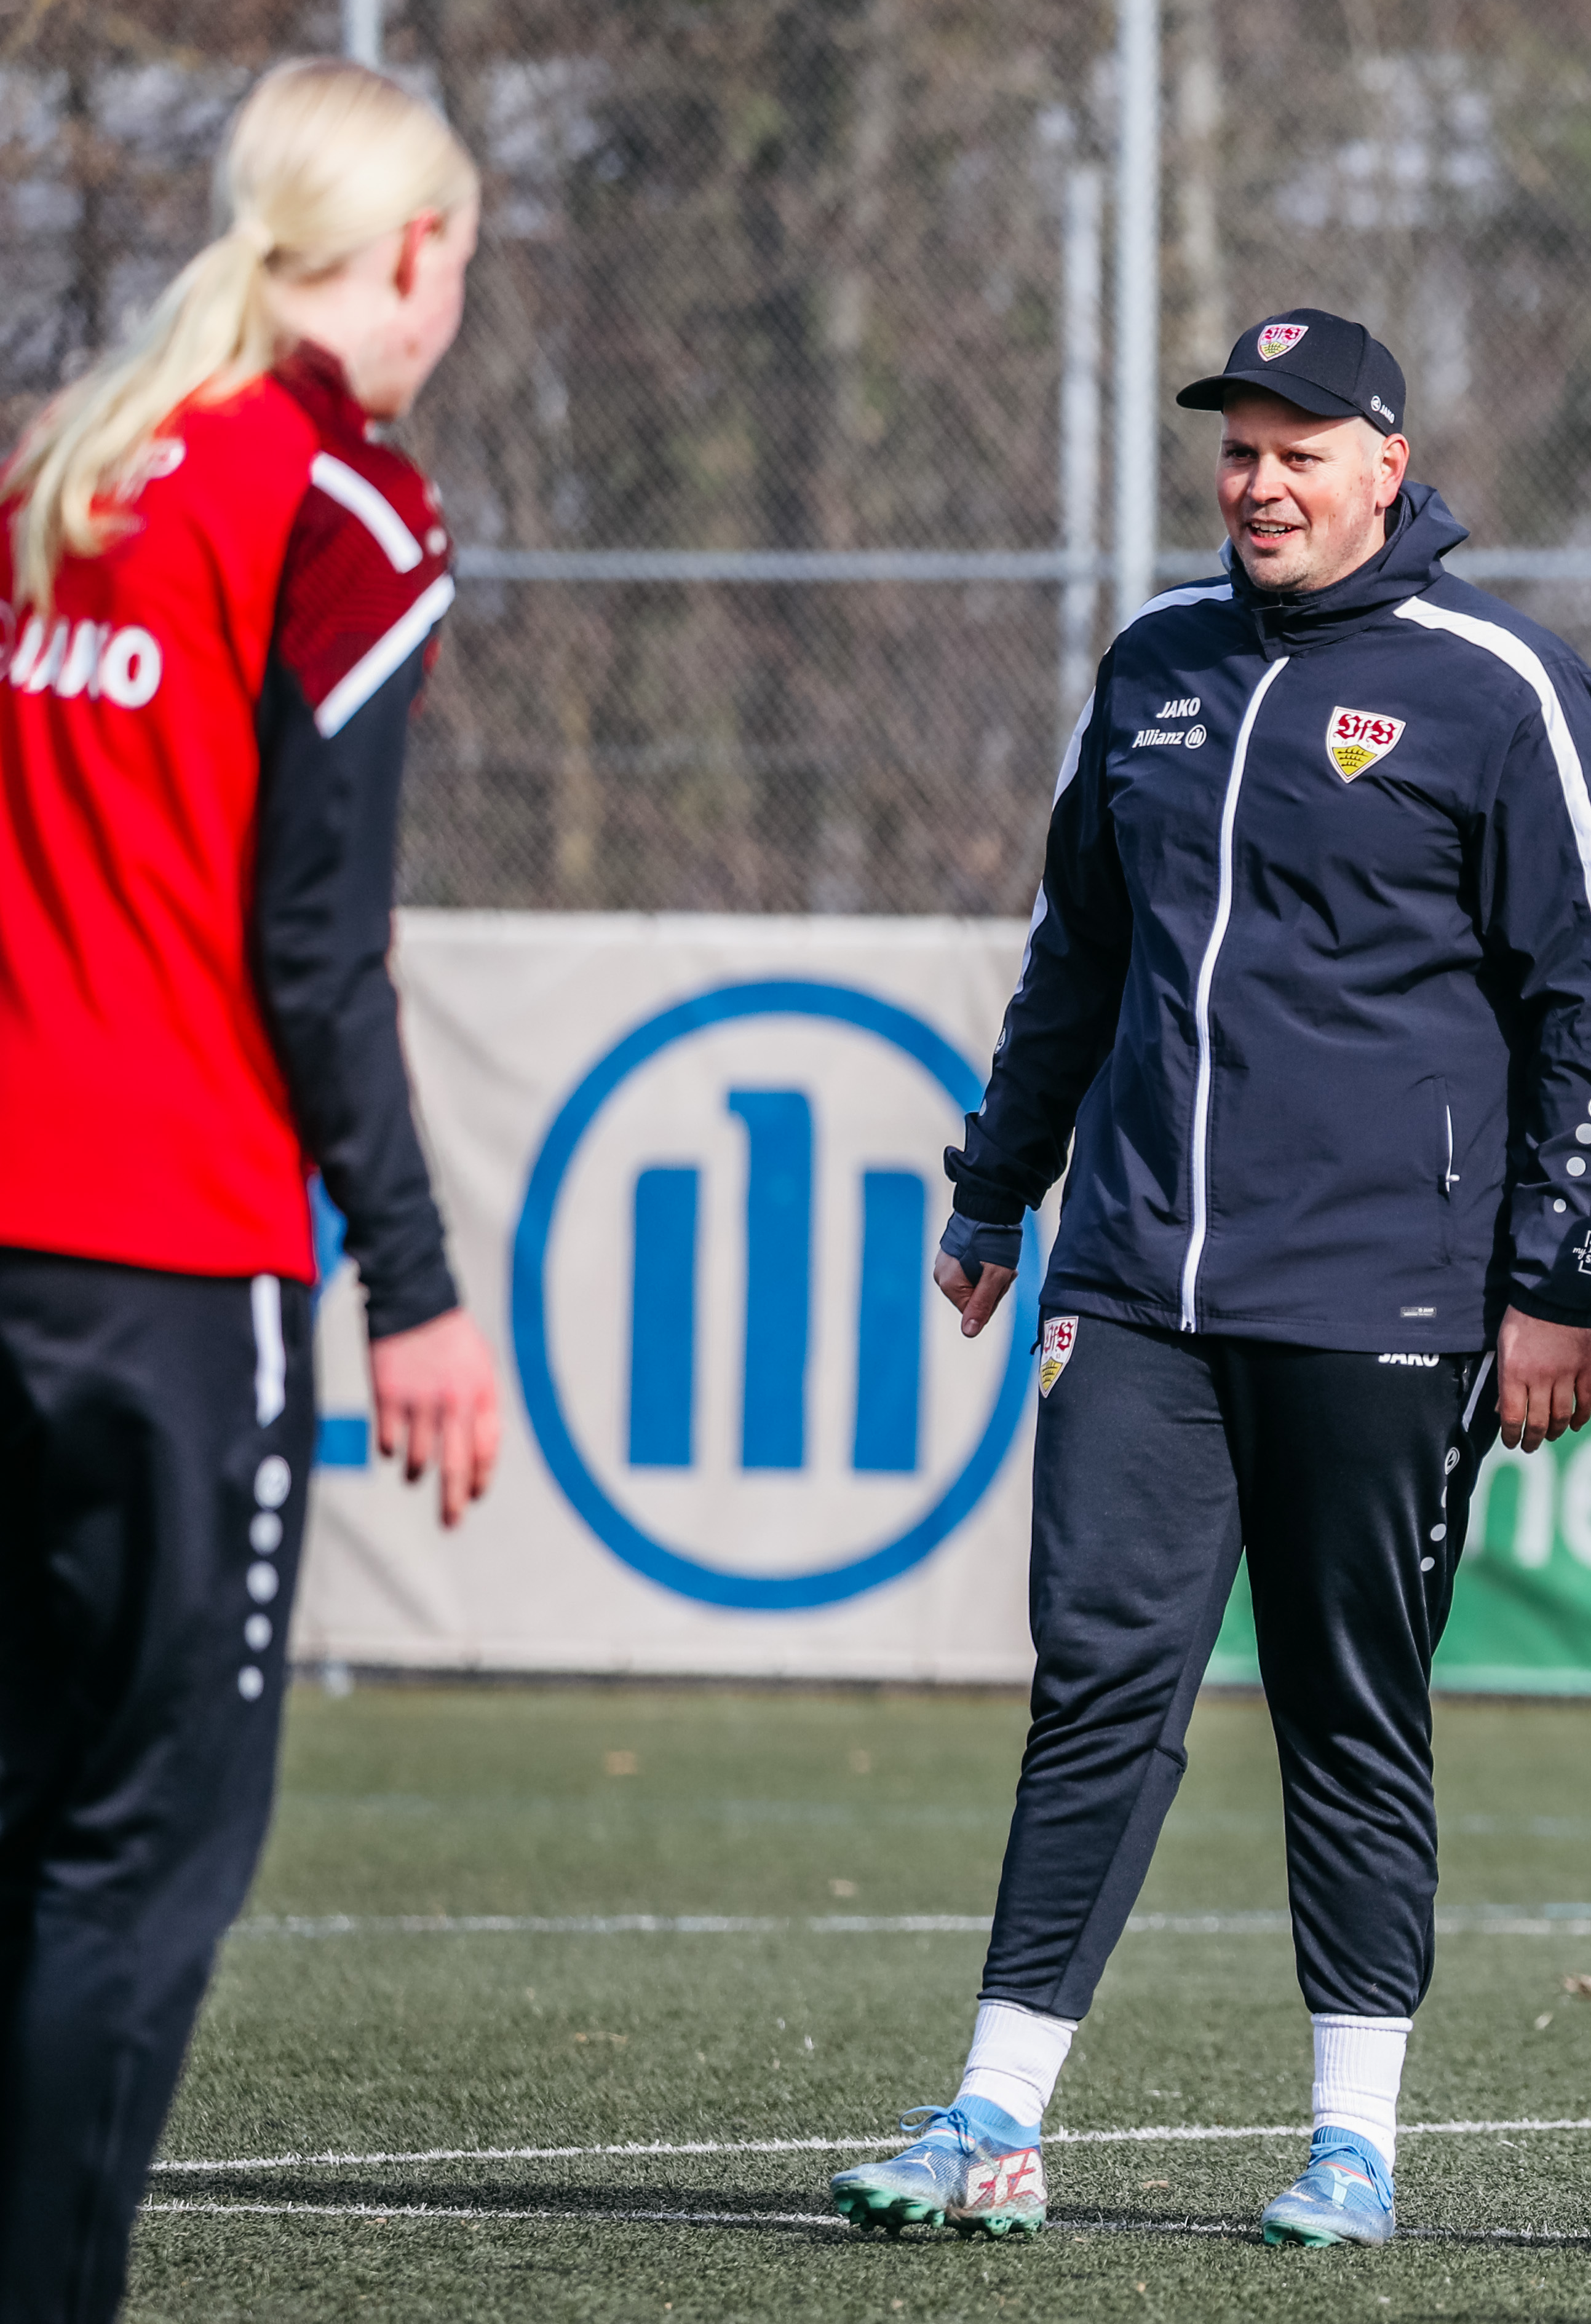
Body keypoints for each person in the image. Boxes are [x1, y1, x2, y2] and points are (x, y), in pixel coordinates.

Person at [824, 307, 1591, 2249]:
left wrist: (1562, 1274)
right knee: (1099, 1683)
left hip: (1391, 1294)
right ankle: (993, 2113)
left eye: (1299, 448)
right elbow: (1077, 955)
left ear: (1386, 461)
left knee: (1348, 1700)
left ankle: (1352, 2144)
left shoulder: (1500, 682)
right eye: (1236, 450)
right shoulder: (1156, 666)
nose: (1260, 482)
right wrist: (995, 1187)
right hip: (1134, 1287)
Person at [0, 59, 504, 2324]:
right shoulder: (340, 506)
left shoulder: (59, 468)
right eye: (462, 266)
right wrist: (414, 1275)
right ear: (406, 258)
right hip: (163, 1255)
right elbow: (321, 940)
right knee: (144, 1853)